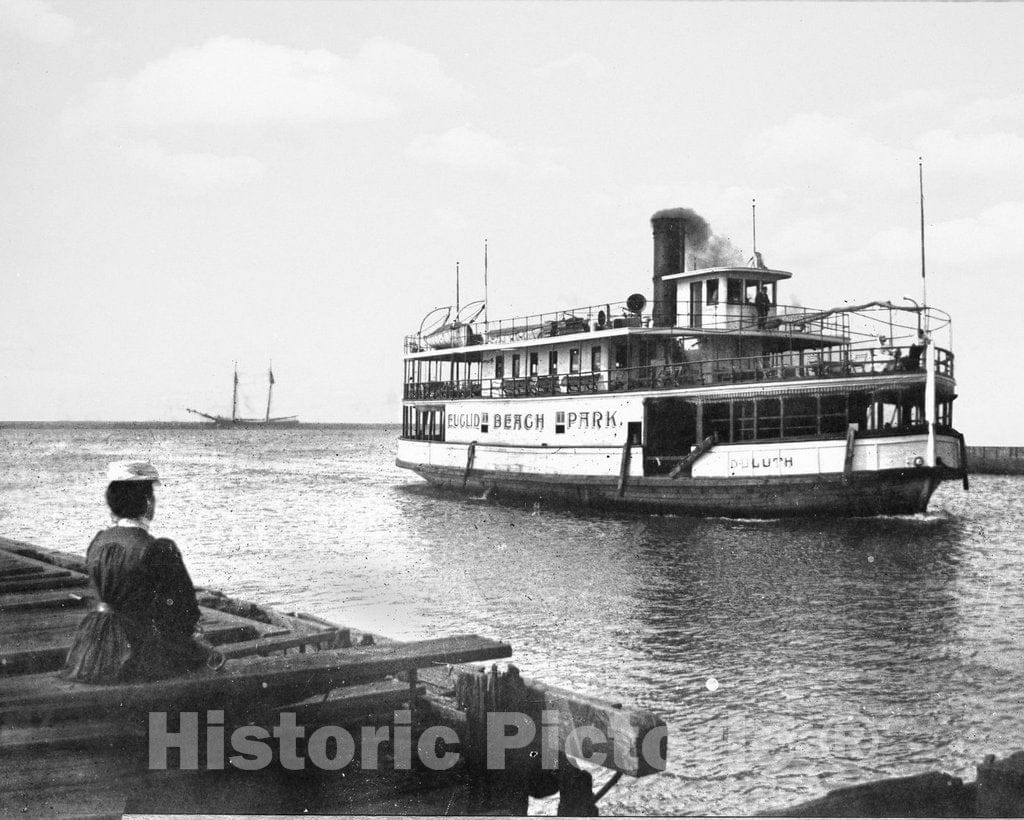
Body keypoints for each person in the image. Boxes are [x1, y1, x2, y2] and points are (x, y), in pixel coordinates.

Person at [63, 460, 215, 683]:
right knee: (208, 659)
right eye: (152, 496)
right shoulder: (158, 548)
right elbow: (184, 613)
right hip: (138, 652)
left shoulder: (98, 542)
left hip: (91, 647)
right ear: (147, 503)